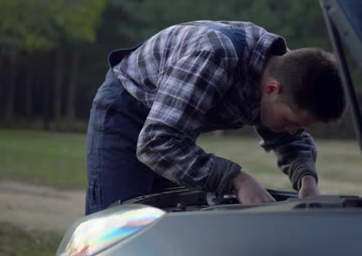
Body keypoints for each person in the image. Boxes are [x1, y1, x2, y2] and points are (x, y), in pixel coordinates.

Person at [85, 20, 345, 215]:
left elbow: (293, 140)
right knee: (118, 229)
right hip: (127, 112)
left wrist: (307, 183)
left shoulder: (285, 71)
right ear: (272, 88)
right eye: (291, 121)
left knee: (160, 232)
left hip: (173, 128)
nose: (292, 130)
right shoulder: (215, 55)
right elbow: (157, 143)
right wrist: (238, 180)